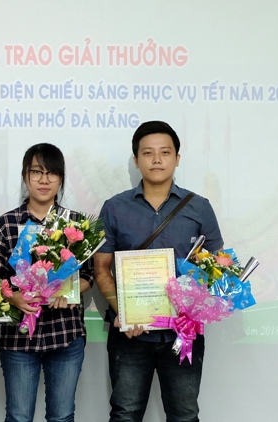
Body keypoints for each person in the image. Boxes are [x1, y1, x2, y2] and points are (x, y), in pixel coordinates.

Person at [94, 121, 224, 422]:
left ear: (177, 158)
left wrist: (194, 302)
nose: (156, 159)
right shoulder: (114, 208)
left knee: (184, 415)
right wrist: (125, 313)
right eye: (148, 153)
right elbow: (101, 269)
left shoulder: (199, 208)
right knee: (125, 414)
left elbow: (216, 268)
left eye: (165, 152)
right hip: (130, 336)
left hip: (183, 334)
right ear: (136, 159)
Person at [0, 143, 94, 422]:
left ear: (61, 179)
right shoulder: (7, 224)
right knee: (19, 417)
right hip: (19, 339)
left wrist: (69, 290)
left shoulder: (76, 223)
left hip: (65, 334)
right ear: (25, 177)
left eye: (52, 173)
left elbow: (89, 275)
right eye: (36, 172)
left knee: (62, 417)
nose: (44, 180)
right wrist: (14, 298)